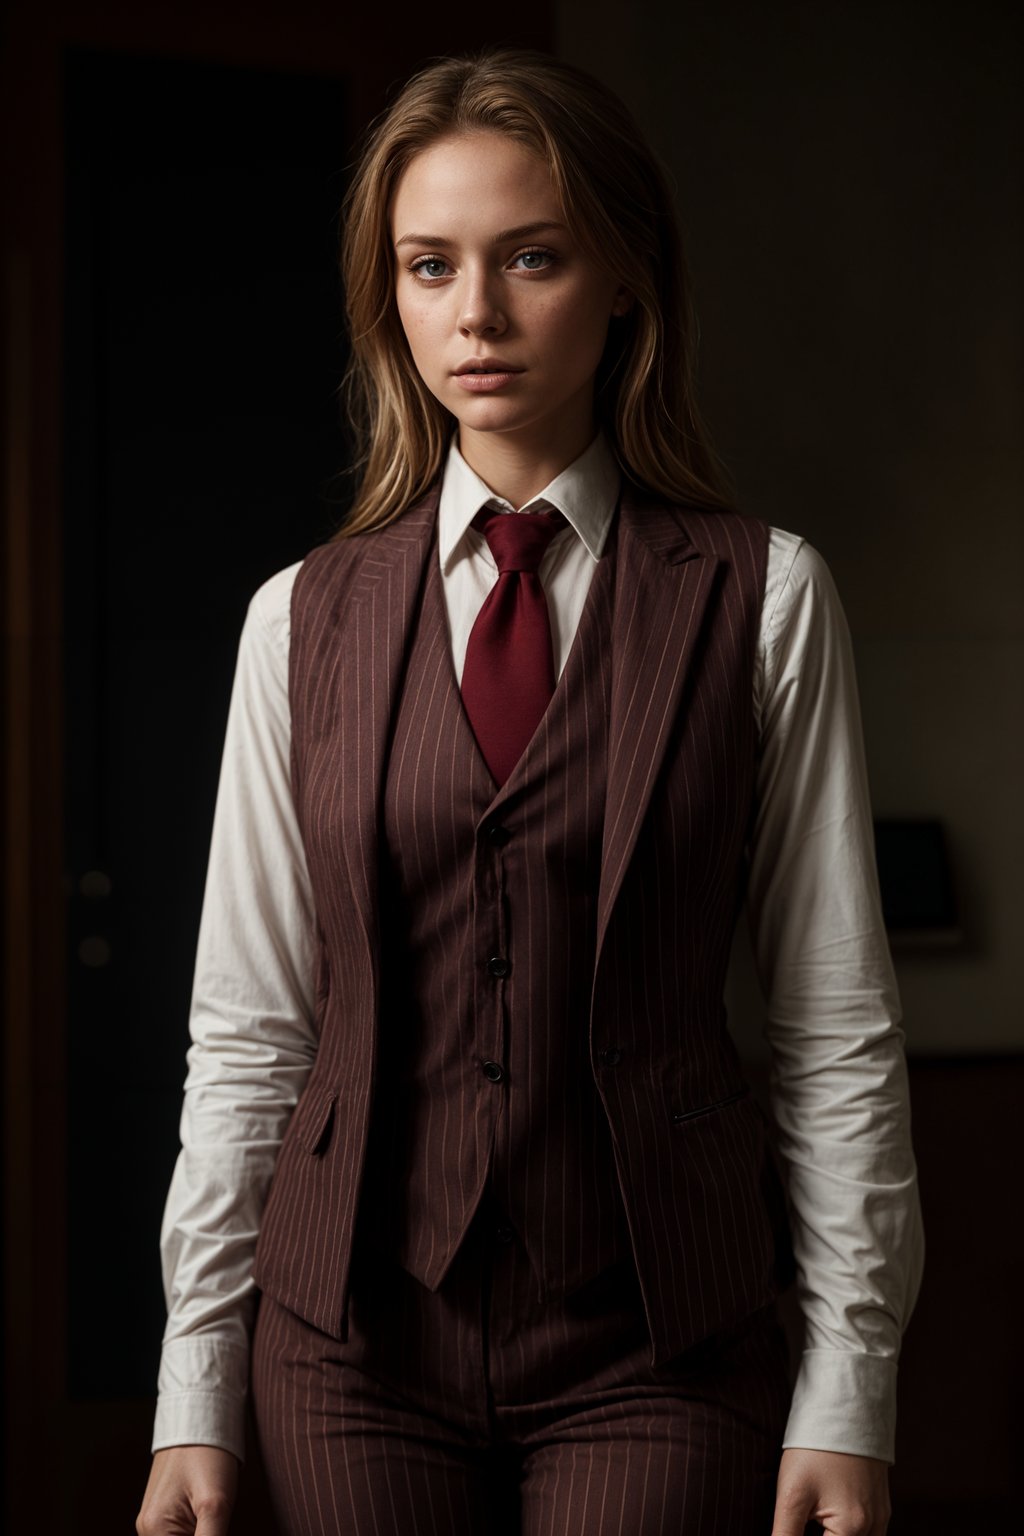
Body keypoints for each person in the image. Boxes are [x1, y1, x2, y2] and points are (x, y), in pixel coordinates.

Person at [136, 47, 924, 1536]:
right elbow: (249, 1033)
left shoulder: (764, 601)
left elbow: (834, 1024)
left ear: (625, 279)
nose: (475, 314)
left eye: (534, 258)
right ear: (393, 301)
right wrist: (195, 1385)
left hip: (660, 1336)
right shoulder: (295, 621)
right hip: (349, 1337)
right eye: (429, 268)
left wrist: (850, 1388)